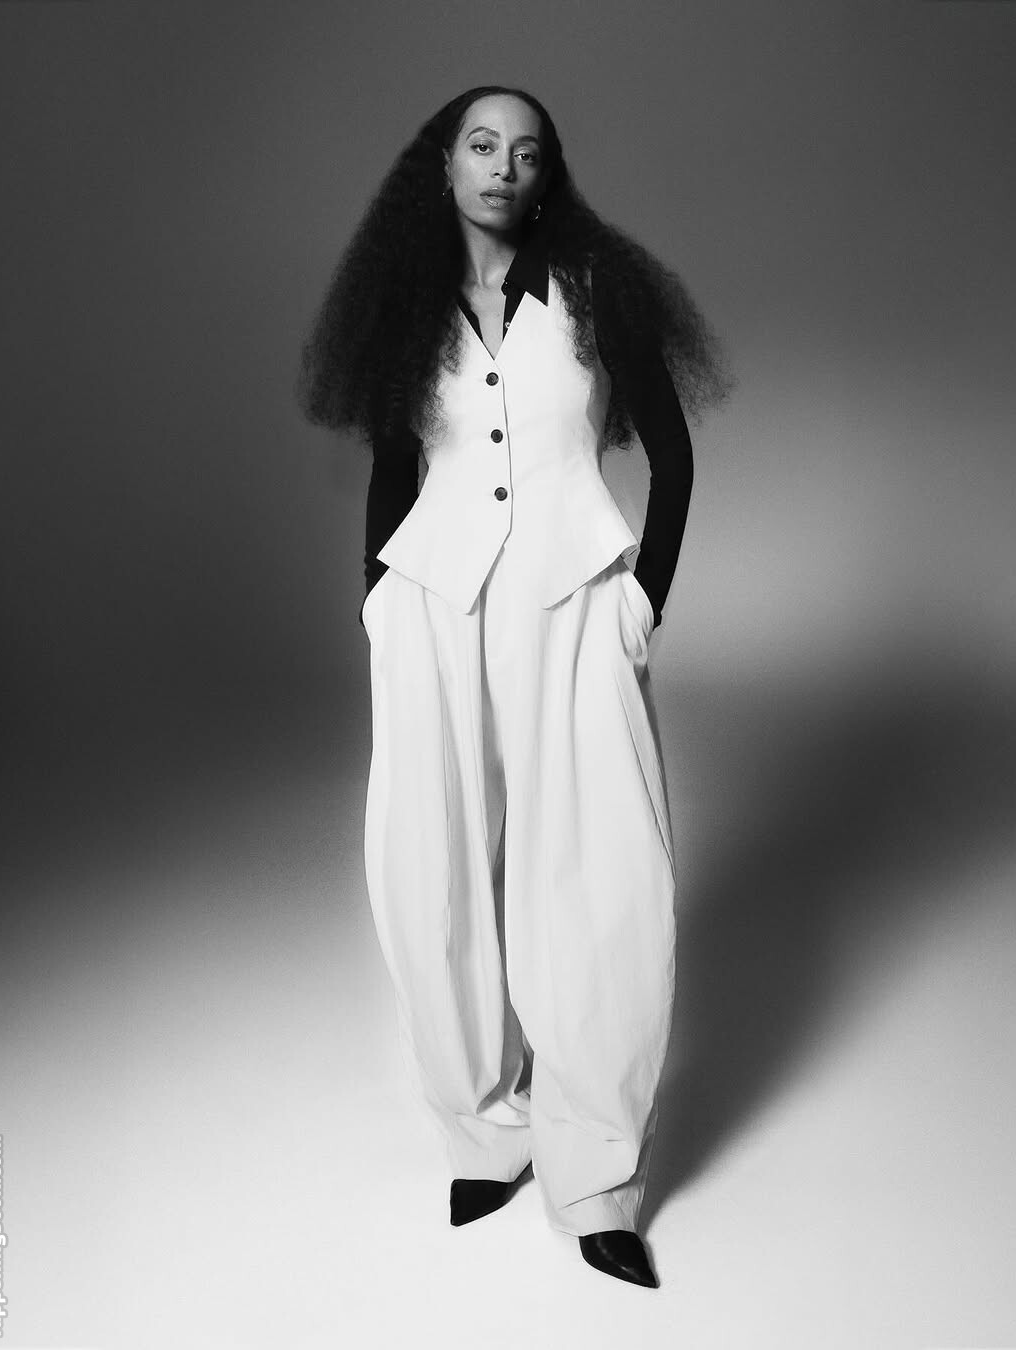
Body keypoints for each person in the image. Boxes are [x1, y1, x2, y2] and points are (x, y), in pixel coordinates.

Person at [297, 85, 731, 1288]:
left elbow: (673, 455)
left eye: (526, 153)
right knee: (428, 866)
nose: (503, 167)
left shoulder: (597, 292)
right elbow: (394, 462)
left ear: (548, 175)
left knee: (600, 872)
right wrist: (377, 600)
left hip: (575, 600)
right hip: (433, 608)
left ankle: (595, 1174)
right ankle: (487, 1128)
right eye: (482, 146)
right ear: (442, 163)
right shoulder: (405, 303)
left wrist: (643, 601)